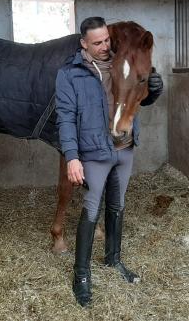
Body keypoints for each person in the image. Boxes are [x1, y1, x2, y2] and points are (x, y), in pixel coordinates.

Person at [55, 16, 163, 307]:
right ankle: (81, 276)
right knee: (91, 210)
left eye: (107, 40)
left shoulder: (121, 63)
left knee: (117, 205)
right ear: (84, 44)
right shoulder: (70, 74)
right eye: (98, 42)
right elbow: (64, 119)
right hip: (94, 153)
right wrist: (72, 157)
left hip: (125, 149)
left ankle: (113, 260)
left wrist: (154, 88)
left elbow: (137, 97)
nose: (105, 46)